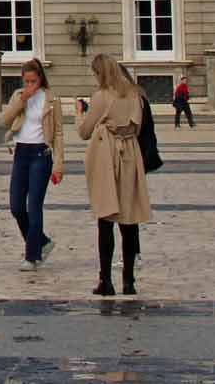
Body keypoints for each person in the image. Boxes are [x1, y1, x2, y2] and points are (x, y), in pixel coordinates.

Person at [78, 54, 153, 297]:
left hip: (107, 154)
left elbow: (84, 131)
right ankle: (129, 281)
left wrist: (79, 113)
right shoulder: (136, 95)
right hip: (130, 153)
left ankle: (106, 280)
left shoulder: (101, 97)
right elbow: (139, 127)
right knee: (129, 219)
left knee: (106, 217)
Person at [2, 58, 64, 271]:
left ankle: (31, 256)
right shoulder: (18, 96)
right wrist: (22, 100)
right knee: (16, 206)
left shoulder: (51, 99)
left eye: (33, 81)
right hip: (21, 153)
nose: (29, 85)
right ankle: (42, 242)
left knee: (34, 205)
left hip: (41, 153)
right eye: (26, 81)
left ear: (40, 80)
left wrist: (58, 164)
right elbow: (6, 120)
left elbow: (58, 133)